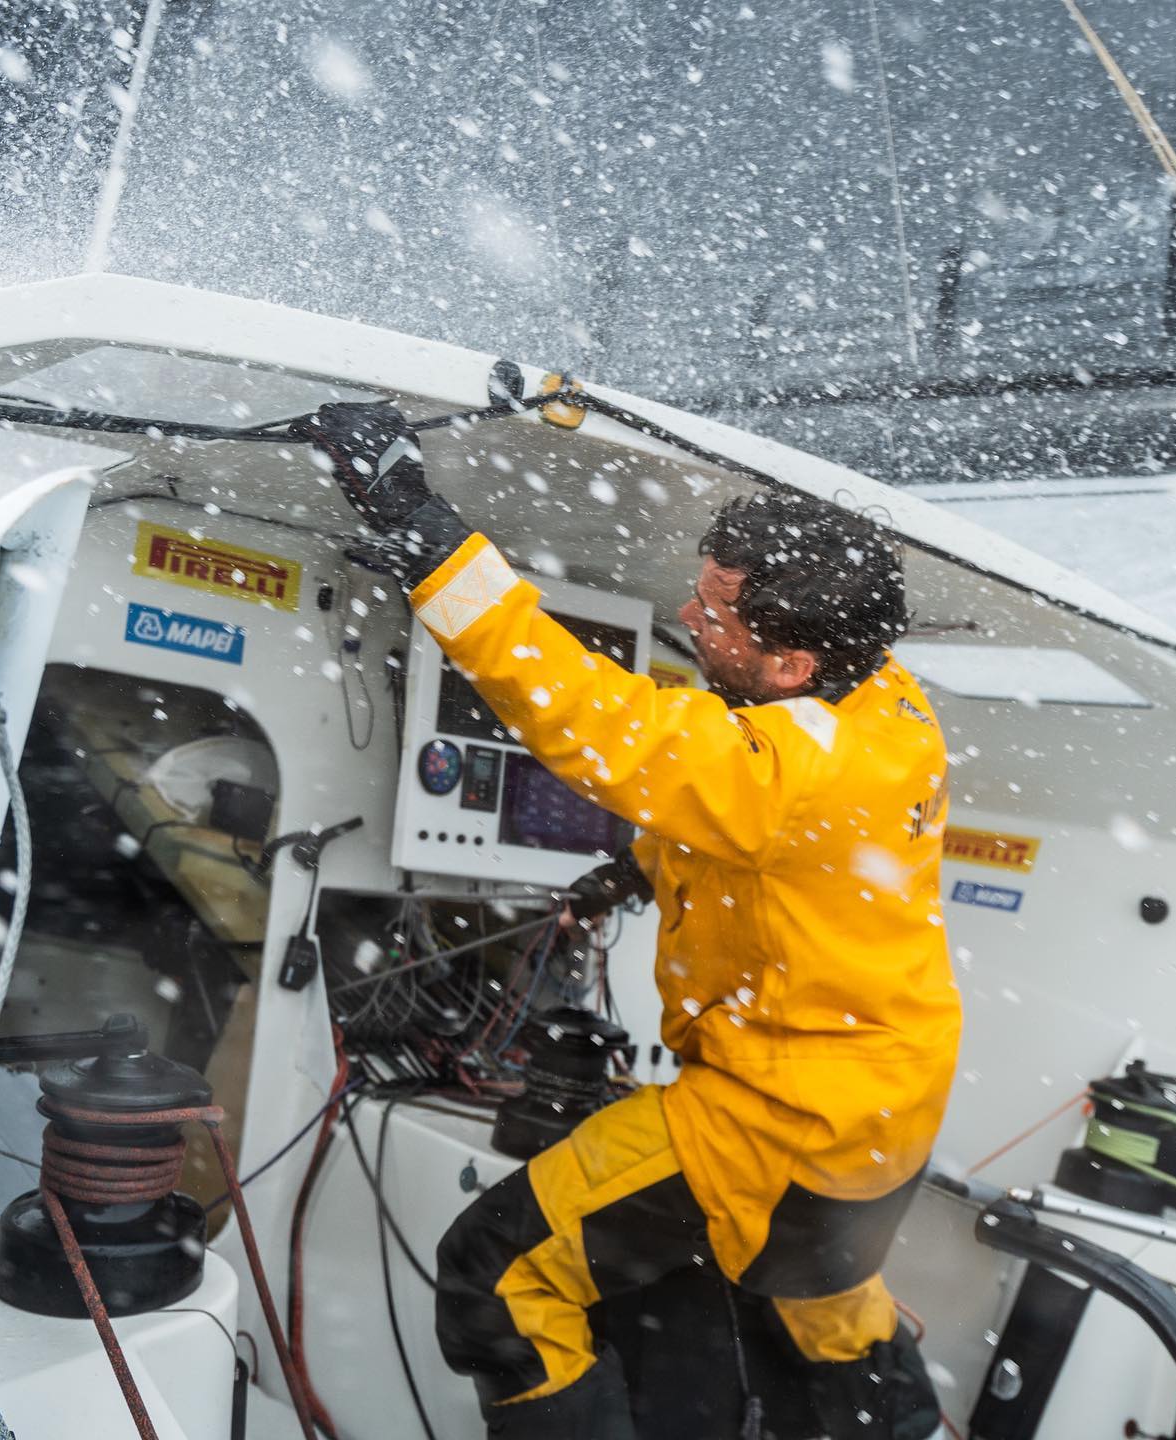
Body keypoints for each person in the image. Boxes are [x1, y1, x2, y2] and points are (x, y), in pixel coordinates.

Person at [303, 401, 960, 1439]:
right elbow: (765, 831)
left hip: (774, 1122)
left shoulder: (794, 768)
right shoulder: (889, 699)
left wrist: (428, 539)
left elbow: (594, 718)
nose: (689, 616)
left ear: (792, 668)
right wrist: (634, 873)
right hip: (883, 1113)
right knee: (826, 1300)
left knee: (495, 1278)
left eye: (716, 617)